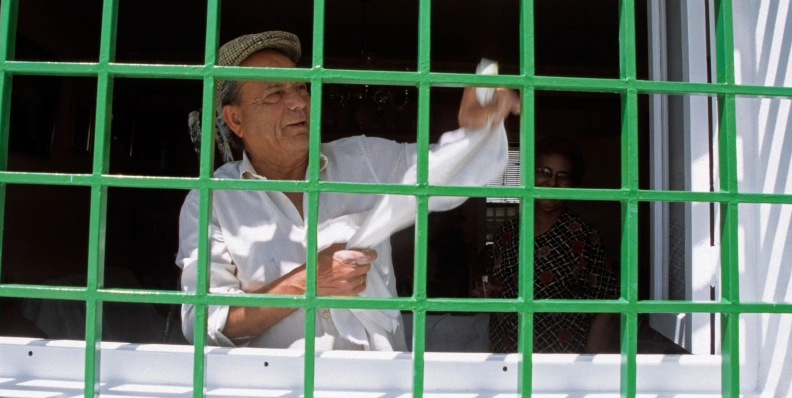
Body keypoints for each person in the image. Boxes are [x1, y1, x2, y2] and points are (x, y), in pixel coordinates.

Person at [176, 31, 519, 350]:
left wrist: (476, 130)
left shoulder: (364, 159)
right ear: (235, 120)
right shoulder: (212, 201)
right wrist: (308, 282)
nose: (298, 102)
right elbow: (203, 324)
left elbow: (447, 173)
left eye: (301, 88)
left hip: (374, 385)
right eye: (275, 93)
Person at [477, 136, 620, 354]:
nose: (552, 183)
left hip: (561, 360)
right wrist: (489, 291)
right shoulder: (507, 232)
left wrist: (588, 368)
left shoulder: (585, 237)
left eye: (562, 176)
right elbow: (494, 284)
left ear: (573, 183)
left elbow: (607, 306)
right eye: (544, 172)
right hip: (505, 354)